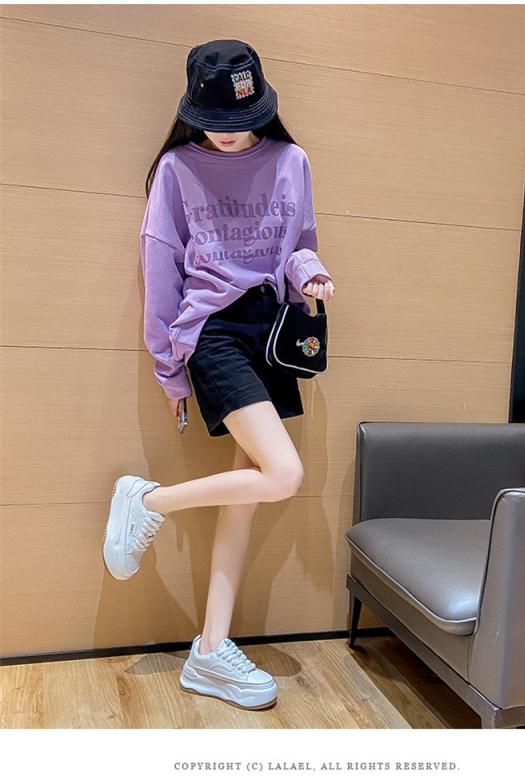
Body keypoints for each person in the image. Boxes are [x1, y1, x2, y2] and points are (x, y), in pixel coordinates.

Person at [102, 40, 335, 710]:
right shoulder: (177, 169)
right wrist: (169, 372)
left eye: (240, 121)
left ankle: (209, 649)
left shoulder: (291, 160)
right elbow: (159, 268)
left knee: (249, 495)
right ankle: (146, 503)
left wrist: (310, 274)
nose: (227, 135)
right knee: (283, 475)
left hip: (272, 330)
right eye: (214, 123)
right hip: (213, 333)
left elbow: (300, 243)